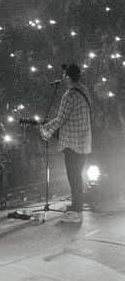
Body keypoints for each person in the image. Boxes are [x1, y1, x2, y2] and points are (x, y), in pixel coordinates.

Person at [39, 63, 92, 223]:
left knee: (73, 176)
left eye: (64, 74)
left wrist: (45, 129)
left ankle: (76, 212)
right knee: (77, 175)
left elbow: (61, 119)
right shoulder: (84, 90)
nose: (62, 77)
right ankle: (76, 206)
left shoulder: (69, 95)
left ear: (68, 77)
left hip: (72, 143)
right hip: (84, 141)